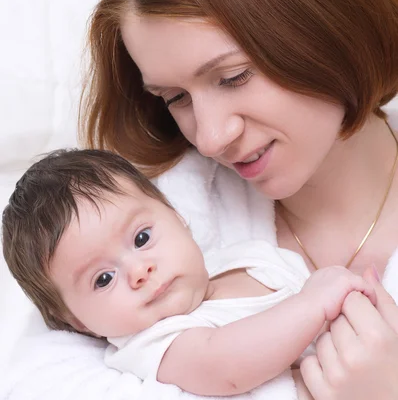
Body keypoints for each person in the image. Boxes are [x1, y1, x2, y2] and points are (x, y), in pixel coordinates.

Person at [4, 0, 398, 400]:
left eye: (233, 76)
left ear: (328, 21)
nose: (211, 138)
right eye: (175, 98)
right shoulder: (159, 211)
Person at [2, 148, 377, 398]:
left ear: (178, 218)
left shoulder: (249, 256)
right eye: (103, 279)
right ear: (78, 322)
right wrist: (313, 303)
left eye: (142, 237)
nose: (139, 271)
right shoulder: (155, 344)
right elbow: (226, 364)